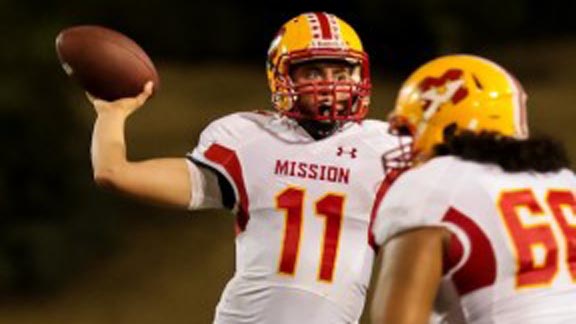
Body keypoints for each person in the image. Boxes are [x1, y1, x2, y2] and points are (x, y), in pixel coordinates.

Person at [87, 12, 399, 324]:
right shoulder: (250, 138)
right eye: (314, 73)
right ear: (281, 76)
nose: (330, 85)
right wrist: (111, 114)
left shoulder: (386, 147)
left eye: (342, 74)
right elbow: (113, 173)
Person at [369, 54, 576, 324]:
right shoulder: (564, 181)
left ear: (448, 126)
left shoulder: (432, 184)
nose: (408, 146)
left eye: (410, 133)